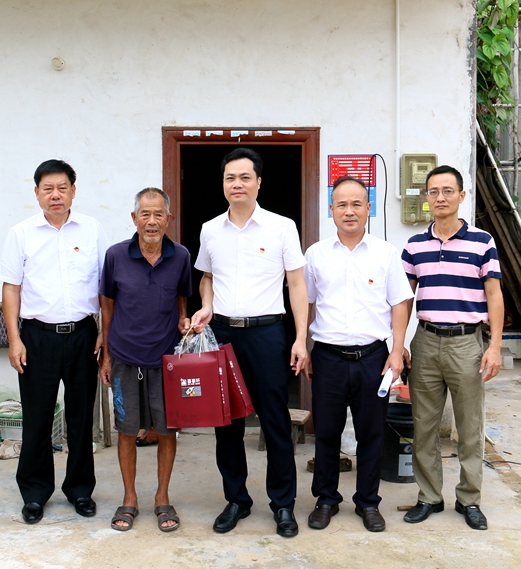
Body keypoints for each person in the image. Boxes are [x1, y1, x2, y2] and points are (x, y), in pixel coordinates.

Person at [191, 147, 309, 538]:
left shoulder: (281, 227)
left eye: (245, 177)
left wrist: (300, 338)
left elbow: (296, 284)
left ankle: (283, 504)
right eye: (230, 178)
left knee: (275, 420)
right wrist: (206, 305)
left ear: (259, 182)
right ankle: (236, 500)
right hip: (223, 334)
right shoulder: (210, 229)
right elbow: (207, 277)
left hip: (266, 334)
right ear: (223, 184)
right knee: (226, 422)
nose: (237, 184)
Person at [0, 159, 109, 524]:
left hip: (83, 335)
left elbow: (106, 285)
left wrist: (105, 330)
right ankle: (34, 492)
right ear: (37, 193)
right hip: (37, 338)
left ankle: (79, 489)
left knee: (81, 417)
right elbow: (11, 288)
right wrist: (14, 339)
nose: (55, 195)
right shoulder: (21, 233)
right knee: (38, 418)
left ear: (73, 191)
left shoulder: (91, 230)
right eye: (48, 189)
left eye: (62, 188)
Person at [303, 177, 413, 533]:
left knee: (371, 433)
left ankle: (367, 502)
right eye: (341, 205)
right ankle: (326, 499)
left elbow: (400, 302)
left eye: (356, 204)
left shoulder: (385, 253)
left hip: (373, 358)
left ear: (368, 208)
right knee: (326, 432)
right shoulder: (316, 254)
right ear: (331, 210)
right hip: (328, 357)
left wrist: (396, 351)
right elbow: (305, 303)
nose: (349, 211)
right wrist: (303, 345)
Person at [401, 165, 503, 531]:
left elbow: (494, 295)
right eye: (433, 191)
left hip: (467, 343)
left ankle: (469, 499)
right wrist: (398, 346)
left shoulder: (482, 242)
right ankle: (429, 496)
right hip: (426, 341)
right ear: (426, 198)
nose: (440, 198)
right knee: (424, 425)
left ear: (461, 196)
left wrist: (495, 346)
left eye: (447, 191)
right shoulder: (414, 246)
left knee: (469, 426)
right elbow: (403, 300)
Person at [99, 188, 192, 532]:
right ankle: (129, 499)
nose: (151, 221)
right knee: (127, 431)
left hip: (165, 360)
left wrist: (182, 319)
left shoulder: (180, 256)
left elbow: (182, 297)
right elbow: (107, 305)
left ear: (169, 219)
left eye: (158, 215)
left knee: (167, 431)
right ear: (134, 218)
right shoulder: (115, 256)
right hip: (125, 357)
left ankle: (162, 497)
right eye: (145, 214)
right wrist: (106, 355)